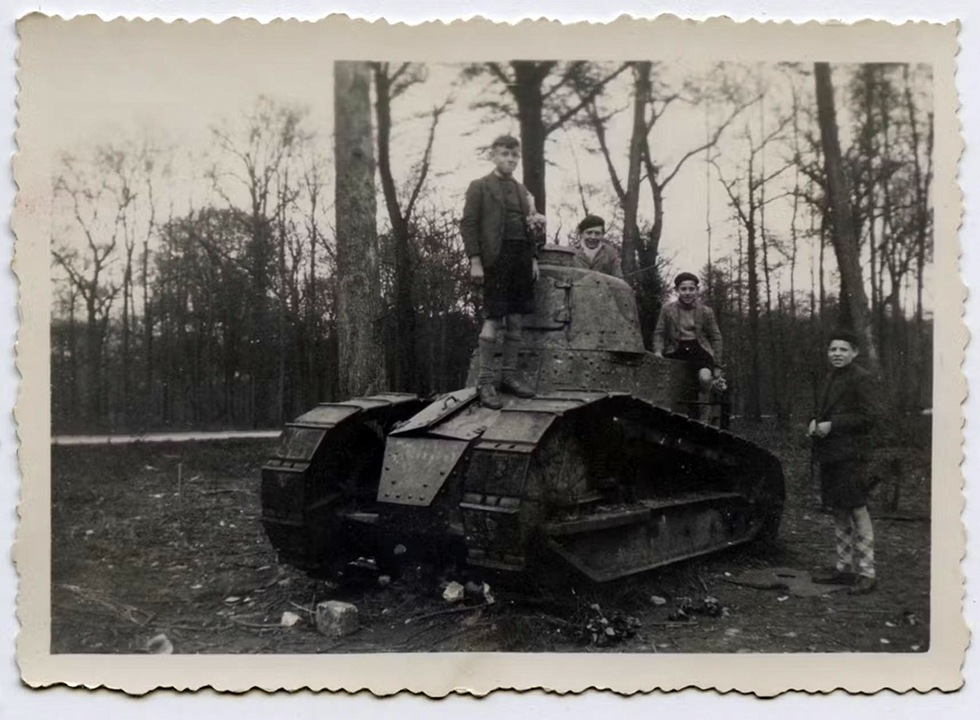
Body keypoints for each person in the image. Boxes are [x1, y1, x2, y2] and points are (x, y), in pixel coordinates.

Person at [461, 134, 546, 409]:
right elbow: (469, 223)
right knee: (494, 319)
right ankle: (486, 382)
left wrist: (533, 257)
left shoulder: (523, 191)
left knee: (516, 320)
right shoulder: (480, 186)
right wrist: (475, 260)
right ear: (493, 156)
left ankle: (508, 377)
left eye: (514, 156)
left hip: (521, 258)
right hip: (495, 259)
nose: (509, 160)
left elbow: (531, 226)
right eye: (504, 155)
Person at [807, 330, 878, 595]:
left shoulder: (863, 379)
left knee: (858, 510)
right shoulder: (830, 377)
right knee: (838, 509)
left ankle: (868, 574)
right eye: (833, 349)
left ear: (855, 352)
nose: (837, 354)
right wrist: (815, 421)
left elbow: (871, 417)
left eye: (843, 349)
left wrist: (833, 425)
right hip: (831, 454)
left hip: (853, 455)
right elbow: (826, 411)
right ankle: (844, 568)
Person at [652, 272, 724, 419]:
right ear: (677, 290)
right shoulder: (667, 310)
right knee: (672, 384)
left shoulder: (705, 312)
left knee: (705, 378)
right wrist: (658, 351)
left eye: (691, 289)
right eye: (683, 289)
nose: (687, 293)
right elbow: (659, 332)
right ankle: (671, 416)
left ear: (697, 290)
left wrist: (717, 364)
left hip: (699, 350)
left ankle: (704, 416)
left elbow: (716, 337)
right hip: (675, 350)